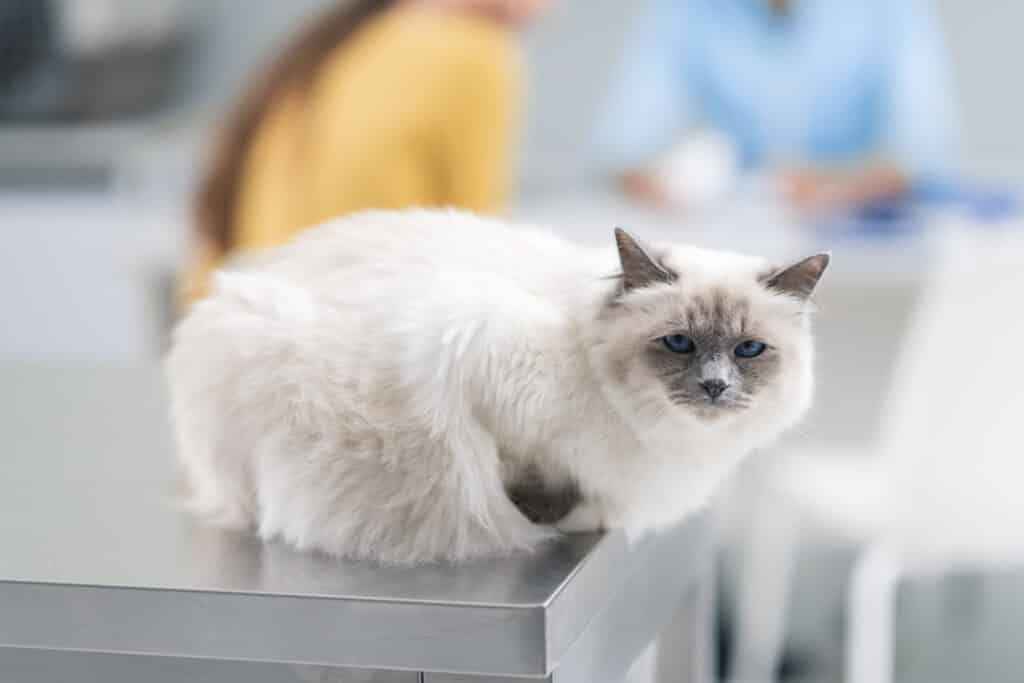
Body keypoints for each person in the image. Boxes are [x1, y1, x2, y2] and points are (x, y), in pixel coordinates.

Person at [185, 0, 548, 302]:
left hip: (247, 332)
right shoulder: (475, 51)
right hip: (358, 342)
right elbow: (482, 249)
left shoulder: (338, 47)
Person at [594, 0, 958, 212]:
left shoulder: (891, 9)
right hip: (739, 235)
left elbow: (924, 152)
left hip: (863, 240)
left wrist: (840, 189)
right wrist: (666, 188)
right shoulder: (688, 9)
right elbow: (623, 147)